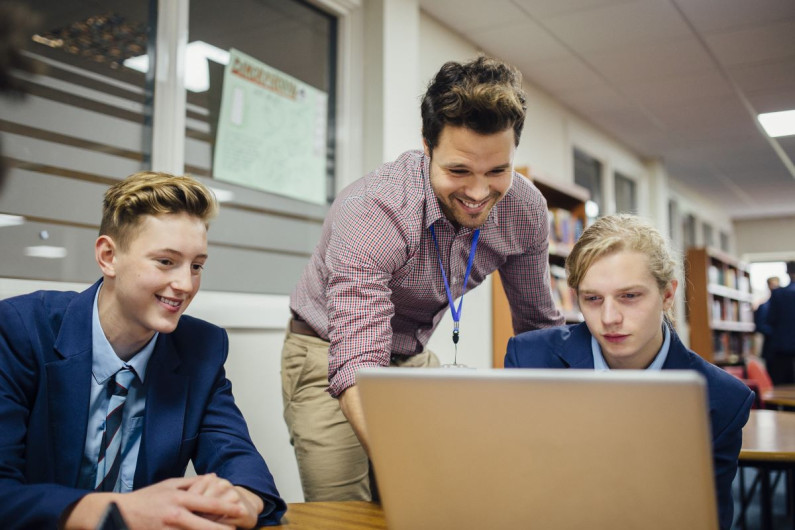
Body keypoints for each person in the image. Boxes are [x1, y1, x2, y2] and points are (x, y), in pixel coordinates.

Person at [282, 56, 564, 501]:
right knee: (347, 511)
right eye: (458, 171)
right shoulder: (375, 211)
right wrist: (410, 468)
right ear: (427, 146)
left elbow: (540, 327)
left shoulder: (525, 210)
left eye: (497, 171)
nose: (477, 193)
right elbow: (357, 362)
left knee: (447, 494)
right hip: (328, 350)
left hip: (410, 355)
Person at [0, 172, 286, 528]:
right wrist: (114, 511)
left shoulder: (201, 347)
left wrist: (241, 498)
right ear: (108, 257)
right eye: (166, 261)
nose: (185, 285)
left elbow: (236, 457)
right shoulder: (20, 330)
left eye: (197, 266)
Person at [504, 214, 753, 530]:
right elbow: (516, 486)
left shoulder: (722, 399)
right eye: (592, 299)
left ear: (667, 295)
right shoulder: (530, 358)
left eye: (629, 296)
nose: (609, 317)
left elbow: (704, 521)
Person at [764, 261, 795, 384]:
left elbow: (770, 320)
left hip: (781, 350)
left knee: (781, 387)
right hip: (782, 348)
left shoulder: (778, 294)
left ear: (787, 272)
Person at [754, 275, 780, 362]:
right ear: (768, 286)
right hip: (770, 348)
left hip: (784, 349)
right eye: (772, 285)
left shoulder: (784, 306)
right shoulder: (764, 306)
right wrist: (777, 332)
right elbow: (759, 326)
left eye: (776, 285)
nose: (774, 287)